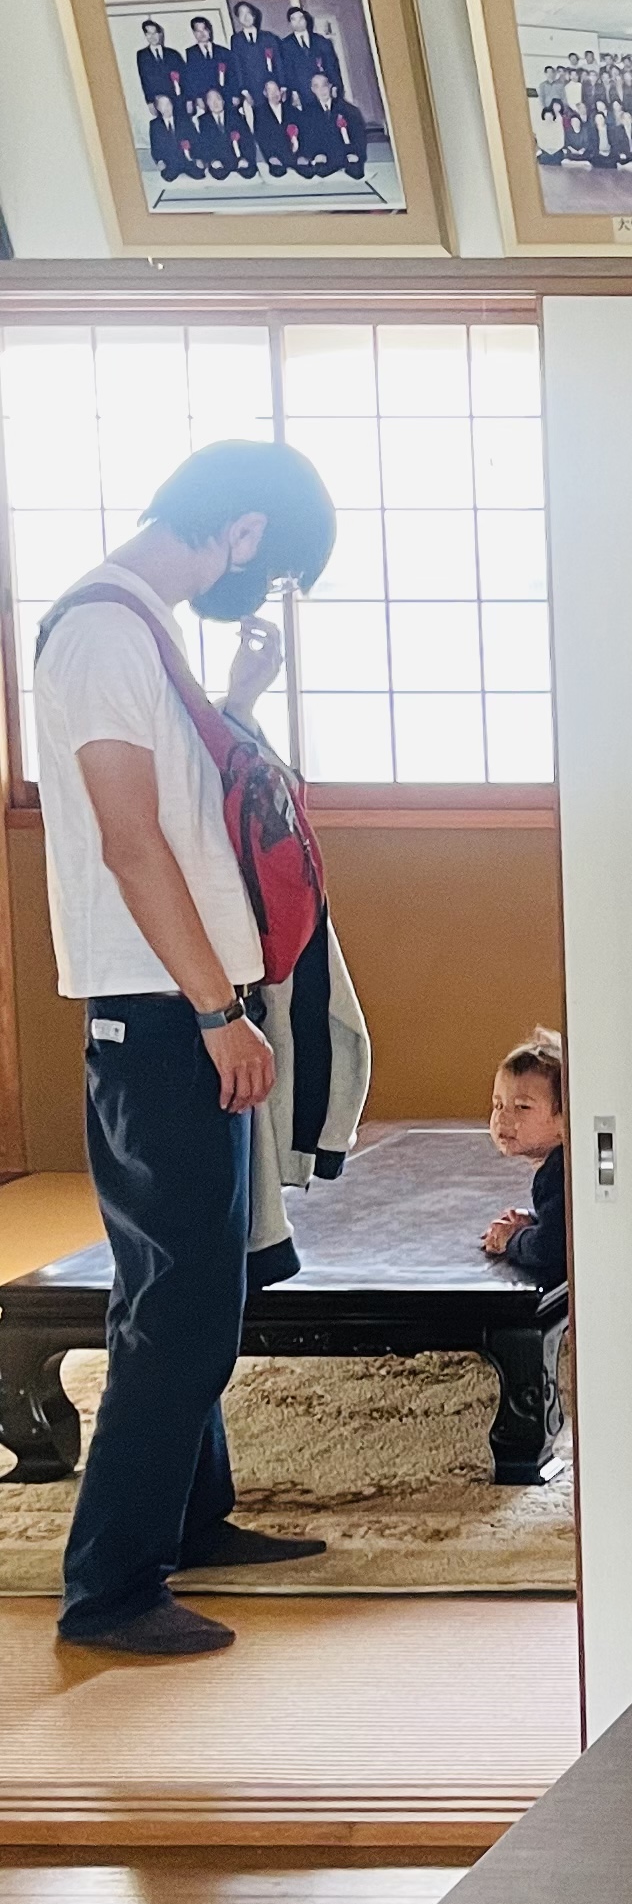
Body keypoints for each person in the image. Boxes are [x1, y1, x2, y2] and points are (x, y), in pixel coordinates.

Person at [29, 440, 339, 1658]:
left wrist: (240, 698)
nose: (254, 588)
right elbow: (129, 841)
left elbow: (184, 812)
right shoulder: (105, 630)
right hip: (162, 1017)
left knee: (190, 1285)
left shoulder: (141, 629)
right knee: (184, 1307)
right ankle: (110, 1591)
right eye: (270, 566)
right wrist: (217, 1012)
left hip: (180, 1008)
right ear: (244, 528)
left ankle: (193, 1522)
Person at [478, 1027, 568, 1283]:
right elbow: (567, 1225)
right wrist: (535, 1221)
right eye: (498, 1105)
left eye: (522, 1107)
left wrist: (512, 1240)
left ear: (565, 1119)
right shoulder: (560, 1164)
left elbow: (550, 1248)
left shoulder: (558, 1173)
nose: (502, 1118)